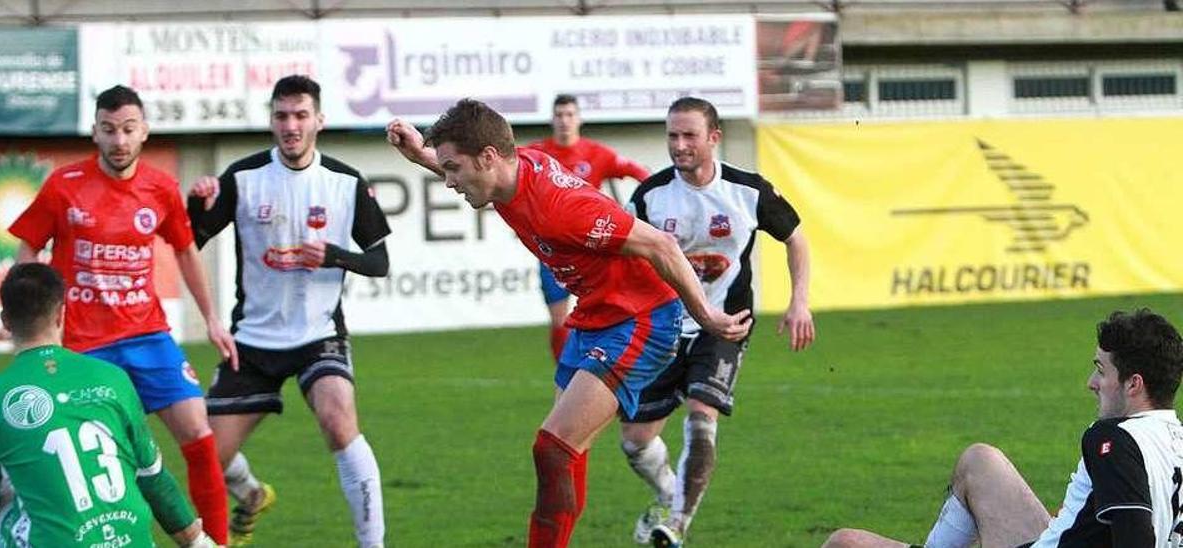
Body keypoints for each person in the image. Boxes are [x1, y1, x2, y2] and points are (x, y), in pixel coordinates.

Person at [386, 98, 751, 548]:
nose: (449, 182)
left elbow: (660, 245)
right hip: (596, 317)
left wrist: (706, 315)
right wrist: (421, 154)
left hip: (640, 320)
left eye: (453, 169)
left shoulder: (560, 205)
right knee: (563, 453)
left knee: (552, 447)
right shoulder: (508, 175)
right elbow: (469, 169)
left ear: (487, 157)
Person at [8, 85, 235, 544]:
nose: (119, 140)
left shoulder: (161, 188)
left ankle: (216, 542)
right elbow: (29, 244)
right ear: (94, 132)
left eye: (129, 129)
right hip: (84, 343)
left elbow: (186, 251)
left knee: (199, 433)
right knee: (96, 457)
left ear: (144, 132)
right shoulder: (64, 185)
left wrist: (211, 318)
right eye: (109, 130)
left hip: (147, 334)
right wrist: (29, 312)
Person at [187, 75, 392, 548]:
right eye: (282, 116)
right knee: (209, 459)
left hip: (319, 335)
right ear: (271, 120)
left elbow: (379, 261)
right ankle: (253, 494)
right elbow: (192, 239)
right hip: (254, 341)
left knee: (339, 422)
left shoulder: (345, 182)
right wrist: (196, 203)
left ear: (319, 120)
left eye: (301, 115)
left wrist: (334, 255)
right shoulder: (242, 178)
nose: (291, 125)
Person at [620, 97, 816, 547]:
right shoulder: (649, 197)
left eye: (689, 135)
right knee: (634, 440)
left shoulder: (747, 191)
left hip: (726, 325)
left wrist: (798, 301)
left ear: (714, 138)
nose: (679, 145)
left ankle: (677, 524)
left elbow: (796, 238)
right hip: (664, 328)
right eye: (672, 135)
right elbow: (623, 258)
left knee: (701, 415)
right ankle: (671, 494)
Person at [823, 308, 1183, 548]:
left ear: (1133, 385)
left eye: (1102, 371)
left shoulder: (1113, 438)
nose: (1092, 382)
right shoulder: (1175, 441)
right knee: (980, 461)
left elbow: (1135, 534)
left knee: (845, 543)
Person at [0, 263, 217, 548]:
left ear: (5, 321)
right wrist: (199, 542)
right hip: (132, 541)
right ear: (60, 314)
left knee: (3, 497)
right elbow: (153, 479)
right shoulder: (113, 378)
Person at [526, 94, 651, 362]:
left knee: (607, 312)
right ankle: (567, 377)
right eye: (559, 115)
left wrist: (648, 198)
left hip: (590, 249)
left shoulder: (596, 153)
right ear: (552, 120)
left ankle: (604, 365)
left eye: (570, 115)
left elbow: (638, 171)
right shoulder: (538, 154)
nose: (564, 121)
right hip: (552, 251)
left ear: (579, 119)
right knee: (560, 320)